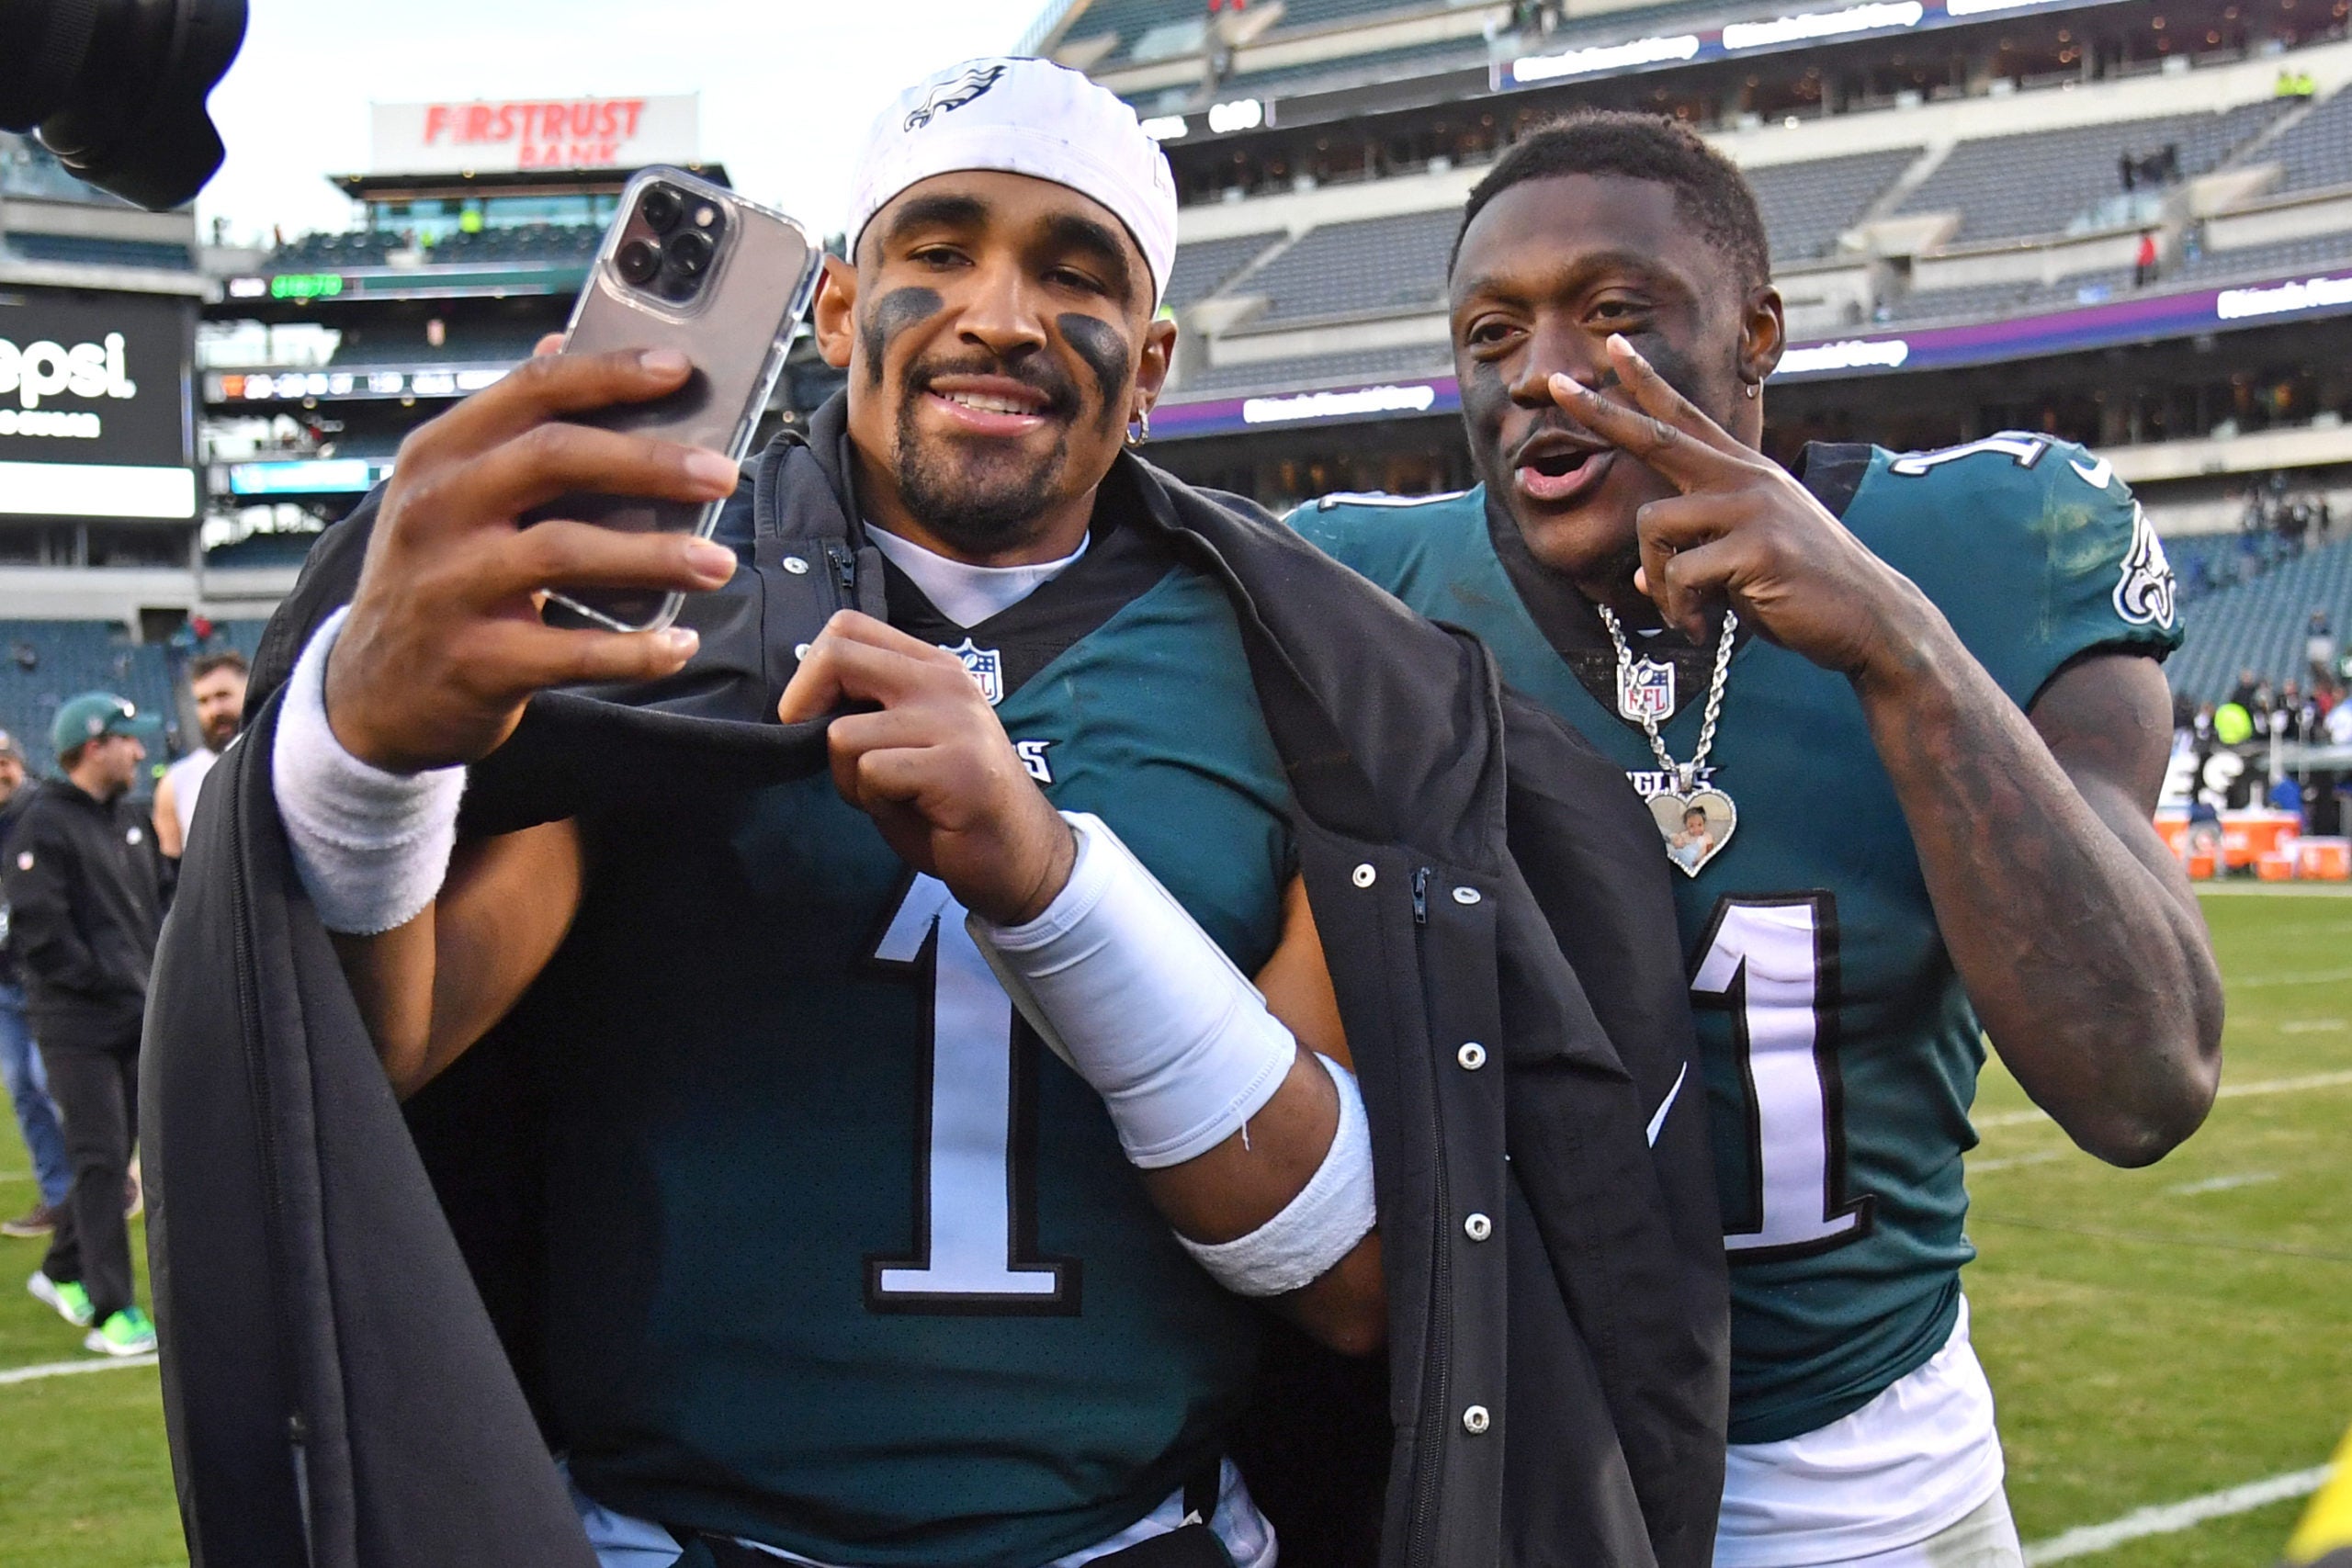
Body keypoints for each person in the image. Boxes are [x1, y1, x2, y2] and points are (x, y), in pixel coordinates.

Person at [150, 60, 1724, 1568]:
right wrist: (375, 760)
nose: (999, 314)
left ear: (1154, 356)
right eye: (941, 248)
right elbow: (372, 1060)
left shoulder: (1297, 674)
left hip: (1142, 1537)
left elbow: (1362, 1280)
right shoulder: (656, 621)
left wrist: (1053, 890)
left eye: (1076, 272)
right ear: (837, 307)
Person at [1295, 110, 2224, 1568]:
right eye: (1491, 332)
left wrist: (1904, 655)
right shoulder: (1364, 585)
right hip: (1506, 1465)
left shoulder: (1989, 539)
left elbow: (2147, 1078)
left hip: (1870, 1478)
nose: (1540, 370)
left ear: (1757, 334)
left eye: (1612, 315)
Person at [6, 693, 164, 1357]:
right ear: (93, 746)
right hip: (76, 1021)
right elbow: (40, 933)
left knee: (110, 1160)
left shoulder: (130, 819)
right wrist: (110, 981)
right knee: (100, 1158)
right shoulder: (40, 822)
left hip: (133, 1012)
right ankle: (112, 1312)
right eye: (129, 740)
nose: (140, 751)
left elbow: (154, 907)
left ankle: (61, 1266)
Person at [0, 730, 73, 1239]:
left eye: (3, 761)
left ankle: (107, 1180)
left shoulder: (44, 814)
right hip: (4, 985)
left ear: (19, 764)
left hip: (50, 977)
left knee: (58, 1082)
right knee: (24, 1087)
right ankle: (62, 1198)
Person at [153, 649, 248, 860]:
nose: (214, 710)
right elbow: (172, 871)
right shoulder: (176, 782)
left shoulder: (281, 762)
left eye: (223, 696)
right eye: (203, 701)